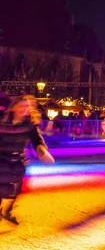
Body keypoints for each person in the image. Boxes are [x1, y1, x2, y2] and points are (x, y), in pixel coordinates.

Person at [0, 96, 55, 224]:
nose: (24, 109)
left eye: (27, 106)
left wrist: (43, 152)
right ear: (13, 107)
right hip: (1, 158)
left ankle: (8, 211)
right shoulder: (2, 121)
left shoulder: (28, 125)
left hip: (17, 160)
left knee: (18, 188)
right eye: (21, 106)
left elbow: (37, 140)